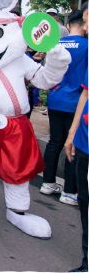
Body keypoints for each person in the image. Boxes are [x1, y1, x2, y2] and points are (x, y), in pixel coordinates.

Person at [43, 9, 87, 206]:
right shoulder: (86, 46)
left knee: (55, 142)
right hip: (76, 102)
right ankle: (69, 191)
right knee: (73, 146)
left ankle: (48, 182)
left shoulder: (55, 44)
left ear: (68, 25)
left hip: (55, 99)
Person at [64, 66, 88, 271]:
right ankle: (86, 262)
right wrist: (72, 133)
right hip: (84, 143)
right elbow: (85, 94)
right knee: (85, 202)